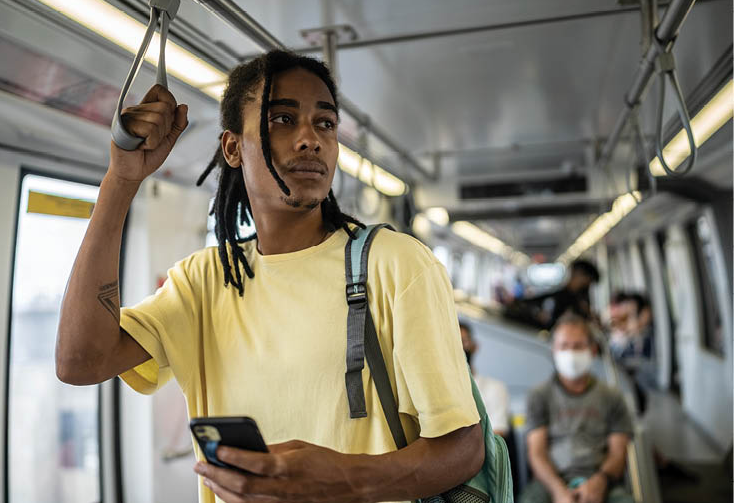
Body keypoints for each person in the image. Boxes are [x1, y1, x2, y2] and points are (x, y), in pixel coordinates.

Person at [56, 50, 484, 503]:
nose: (310, 140)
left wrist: (344, 480)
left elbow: (462, 448)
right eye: (282, 119)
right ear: (233, 148)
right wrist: (121, 182)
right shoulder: (205, 281)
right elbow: (80, 361)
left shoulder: (396, 265)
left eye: (325, 123)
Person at [521, 313, 634, 503]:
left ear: (593, 350)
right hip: (550, 482)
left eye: (578, 346)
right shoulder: (539, 396)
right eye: (564, 346)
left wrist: (599, 482)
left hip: (601, 480)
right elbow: (537, 453)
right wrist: (558, 491)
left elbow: (618, 453)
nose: (571, 353)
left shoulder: (612, 397)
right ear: (554, 351)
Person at [459, 321, 510, 438]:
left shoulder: (495, 388)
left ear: (475, 346)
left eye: (463, 341)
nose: (459, 348)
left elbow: (496, 437)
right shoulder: (438, 392)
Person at [524, 260, 600, 330]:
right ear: (578, 275)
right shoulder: (560, 297)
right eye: (588, 281)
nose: (587, 285)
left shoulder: (579, 300)